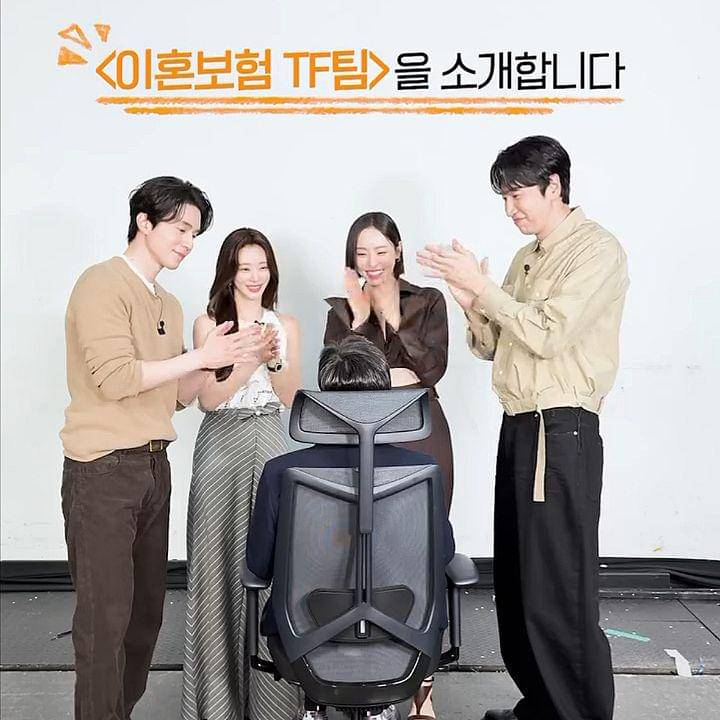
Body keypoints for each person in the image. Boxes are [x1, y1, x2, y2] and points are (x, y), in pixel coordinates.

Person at [418, 136, 629, 720]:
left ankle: (579, 714)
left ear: (554, 185)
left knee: (558, 587)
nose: (510, 208)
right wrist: (470, 299)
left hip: (562, 429)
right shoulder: (526, 256)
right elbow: (494, 344)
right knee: (518, 583)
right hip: (521, 426)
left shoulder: (596, 250)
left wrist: (487, 291)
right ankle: (541, 705)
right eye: (504, 198)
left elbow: (548, 332)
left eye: (517, 194)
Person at [60, 176, 264, 719]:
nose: (188, 242)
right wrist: (199, 358)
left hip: (154, 467)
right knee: (104, 621)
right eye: (180, 228)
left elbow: (178, 396)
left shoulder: (168, 304)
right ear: (144, 222)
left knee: (144, 619)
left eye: (195, 233)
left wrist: (226, 357)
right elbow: (114, 378)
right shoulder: (101, 283)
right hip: (101, 470)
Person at [246, 335, 455, 720]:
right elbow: (443, 556)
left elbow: (258, 567)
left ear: (325, 399)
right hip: (408, 641)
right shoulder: (422, 471)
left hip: (303, 644)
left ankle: (315, 706)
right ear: (385, 395)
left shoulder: (280, 471)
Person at [181, 228, 302, 720]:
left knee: (276, 564)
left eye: (262, 267)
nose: (255, 277)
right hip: (221, 444)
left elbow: (291, 397)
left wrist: (273, 359)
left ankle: (273, 703)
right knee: (216, 567)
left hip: (271, 438)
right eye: (244, 267)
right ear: (228, 272)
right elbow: (208, 400)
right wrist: (248, 356)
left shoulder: (286, 324)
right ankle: (217, 704)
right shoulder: (209, 325)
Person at [323, 211, 454, 516]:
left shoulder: (427, 300)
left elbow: (432, 371)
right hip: (363, 426)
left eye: (381, 251)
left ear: (398, 250)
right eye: (362, 253)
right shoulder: (341, 312)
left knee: (427, 518)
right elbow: (334, 382)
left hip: (421, 422)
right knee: (366, 522)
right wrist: (359, 322)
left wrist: (395, 319)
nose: (372, 262)